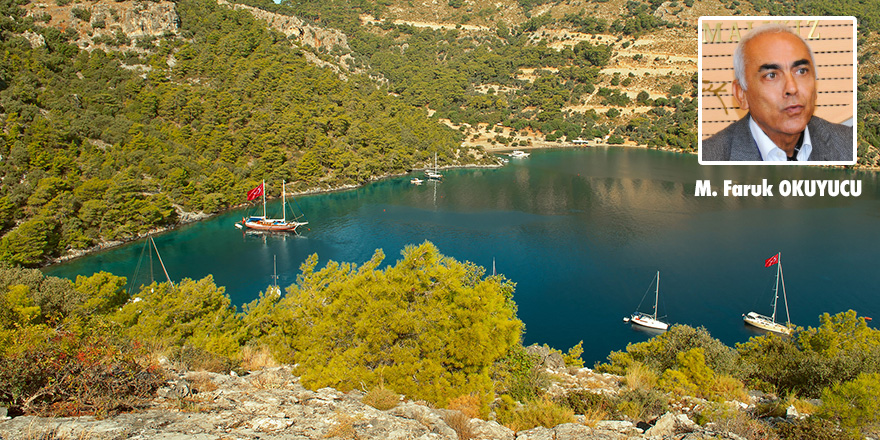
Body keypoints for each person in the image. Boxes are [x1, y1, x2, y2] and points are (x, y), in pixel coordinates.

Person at [701, 23, 853, 162]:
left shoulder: (849, 145)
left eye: (801, 71)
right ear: (741, 94)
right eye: (771, 75)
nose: (792, 88)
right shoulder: (710, 158)